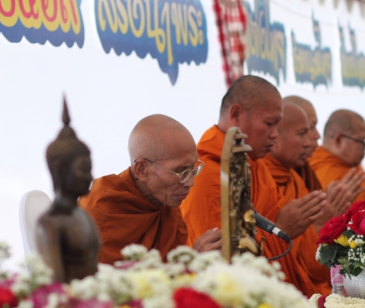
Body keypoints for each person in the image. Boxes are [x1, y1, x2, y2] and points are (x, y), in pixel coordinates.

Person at [180, 75, 324, 295]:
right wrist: (281, 229)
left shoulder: (256, 167)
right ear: (236, 114)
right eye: (269, 124)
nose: (275, 135)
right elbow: (219, 263)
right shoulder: (207, 175)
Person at [79, 115, 222, 265]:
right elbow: (105, 285)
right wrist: (192, 262)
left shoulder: (166, 205)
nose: (190, 183)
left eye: (193, 169)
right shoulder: (98, 215)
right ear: (141, 169)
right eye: (180, 171)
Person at [263, 102, 333, 294]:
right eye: (302, 133)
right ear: (276, 137)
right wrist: (282, 230)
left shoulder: (294, 177)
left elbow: (312, 256)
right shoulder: (259, 177)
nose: (311, 141)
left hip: (311, 286)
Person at [36, 102, 101, 282]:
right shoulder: (50, 223)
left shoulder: (84, 215)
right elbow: (55, 284)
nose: (90, 177)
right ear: (60, 170)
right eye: (83, 170)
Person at [284, 95, 358, 223]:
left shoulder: (304, 171)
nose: (317, 135)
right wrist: (322, 219)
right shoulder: (266, 174)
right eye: (306, 130)